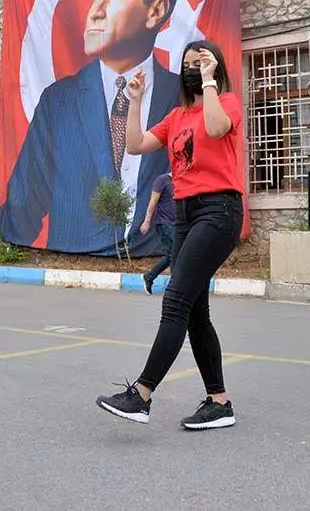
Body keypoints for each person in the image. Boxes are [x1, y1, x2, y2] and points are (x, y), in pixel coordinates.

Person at [96, 40, 245, 430]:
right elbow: (134, 144)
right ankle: (219, 402)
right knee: (196, 311)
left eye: (202, 61)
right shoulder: (176, 116)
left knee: (176, 299)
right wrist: (133, 99)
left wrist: (211, 81)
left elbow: (215, 128)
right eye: (189, 63)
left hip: (219, 210)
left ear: (216, 66)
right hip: (184, 214)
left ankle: (142, 395)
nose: (194, 67)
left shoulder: (226, 102)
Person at [0, 0, 182, 257]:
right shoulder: (59, 101)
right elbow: (23, 204)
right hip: (73, 260)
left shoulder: (180, 96)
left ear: (155, 11)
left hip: (159, 255)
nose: (95, 10)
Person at [140, 172, 175, 293]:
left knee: (174, 254)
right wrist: (146, 221)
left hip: (178, 225)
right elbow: (153, 202)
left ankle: (149, 276)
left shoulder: (183, 181)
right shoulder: (162, 180)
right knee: (177, 252)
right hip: (165, 223)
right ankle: (175, 286)